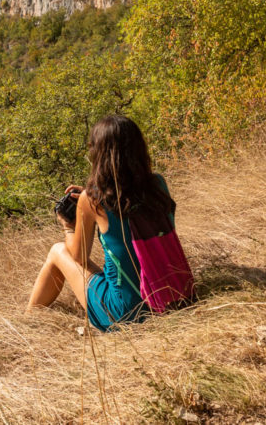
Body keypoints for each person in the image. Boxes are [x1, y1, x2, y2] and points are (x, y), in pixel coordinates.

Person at [26, 114, 180, 331]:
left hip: (124, 312)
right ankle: (29, 318)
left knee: (57, 251)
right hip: (170, 297)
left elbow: (78, 256)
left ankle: (27, 320)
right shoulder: (158, 185)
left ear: (99, 154)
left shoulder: (92, 201)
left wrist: (68, 225)